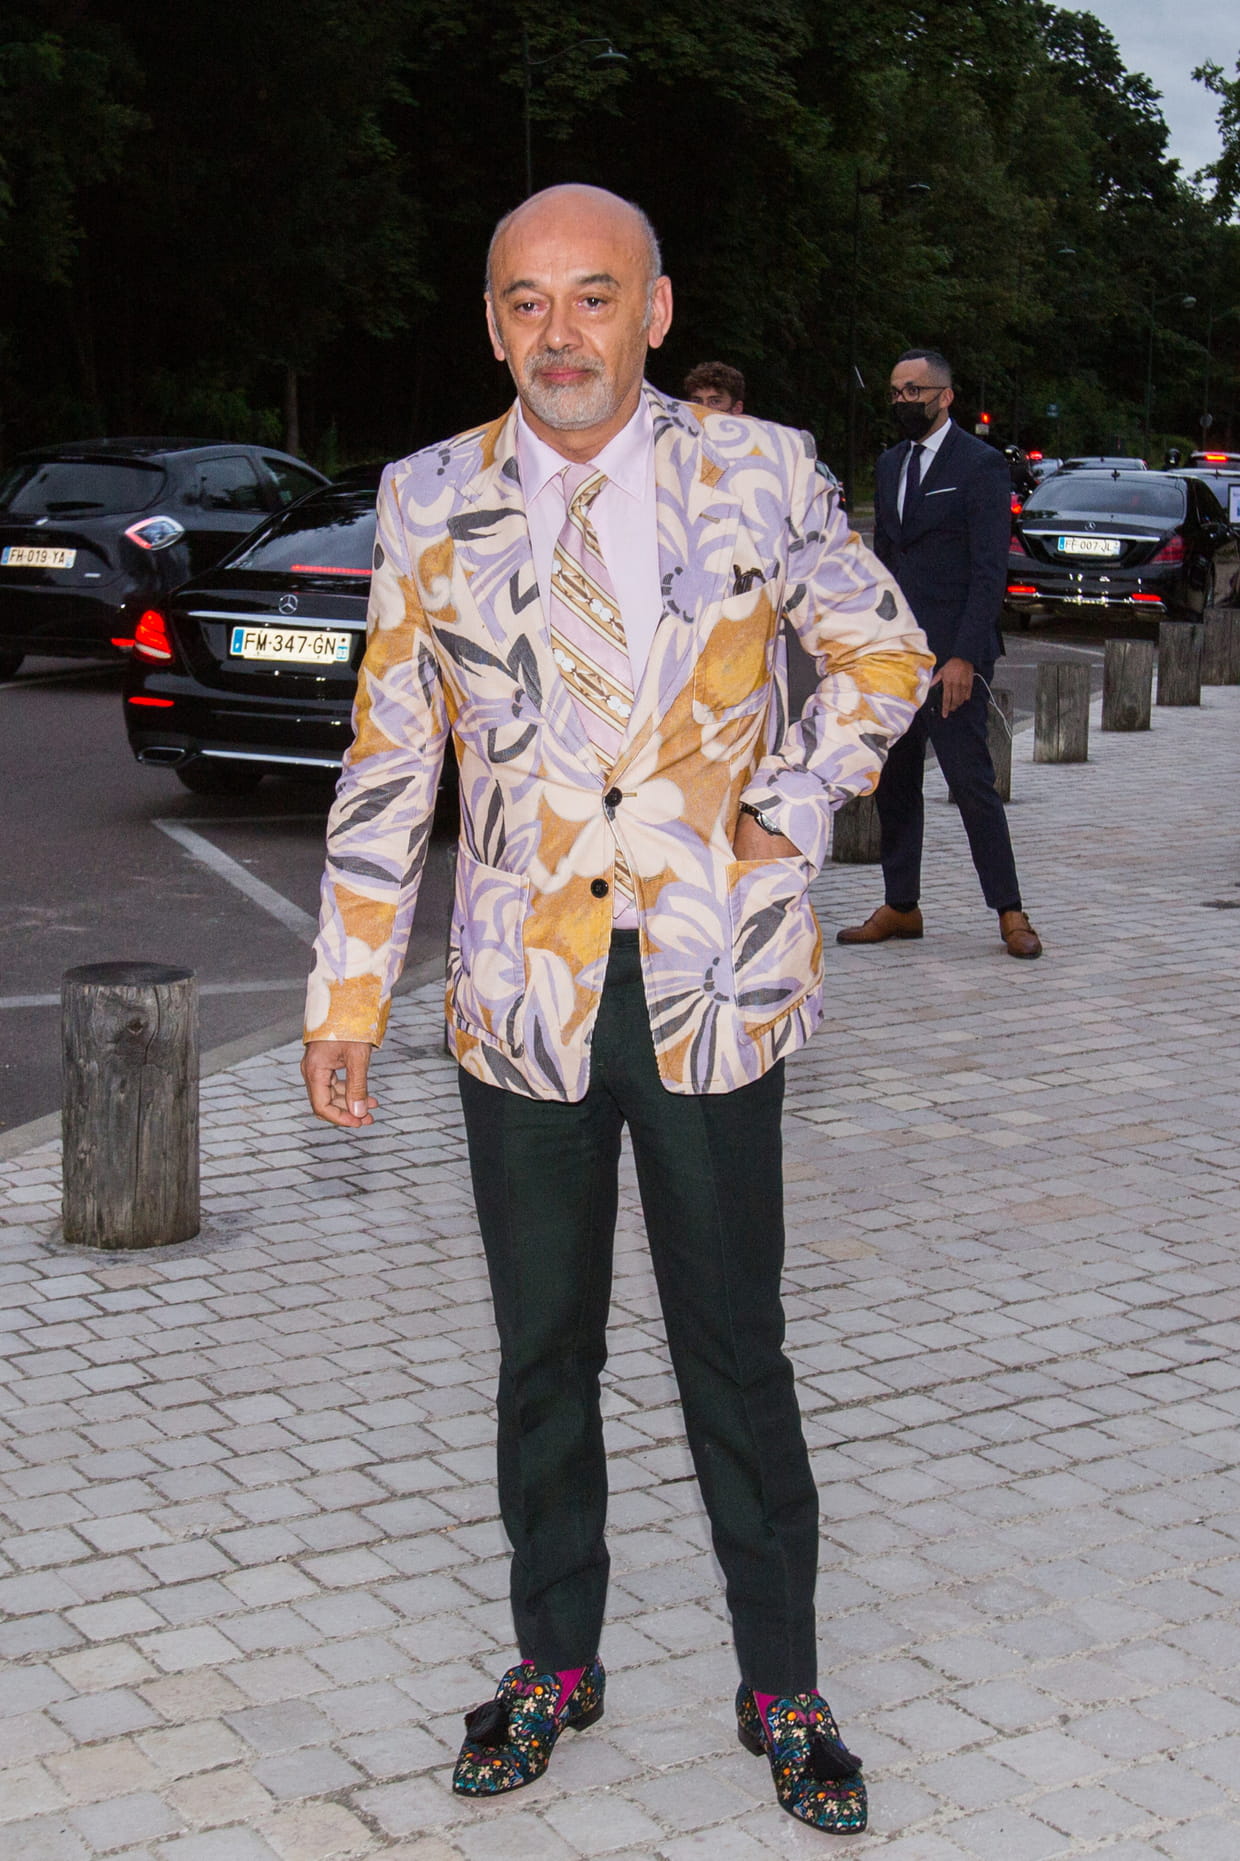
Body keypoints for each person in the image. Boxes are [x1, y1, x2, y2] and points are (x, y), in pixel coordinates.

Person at [301, 184, 931, 1835]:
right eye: (526, 301)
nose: (559, 332)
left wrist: (795, 806)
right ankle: (554, 1662)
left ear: (655, 311)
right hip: (523, 993)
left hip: (709, 977)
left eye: (594, 297)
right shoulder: (426, 497)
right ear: (490, 323)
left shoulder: (763, 469)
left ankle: (783, 1684)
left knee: (734, 1347)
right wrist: (347, 991)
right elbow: (390, 756)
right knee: (541, 1350)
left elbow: (882, 653)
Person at [838, 348, 1042, 959]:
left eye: (914, 391)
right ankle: (901, 905)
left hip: (953, 657)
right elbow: (887, 561)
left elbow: (989, 571)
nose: (903, 401)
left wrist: (964, 658)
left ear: (944, 396)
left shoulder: (979, 465)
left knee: (970, 782)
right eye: (895, 392)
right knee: (894, 782)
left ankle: (1010, 910)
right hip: (897, 656)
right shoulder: (890, 463)